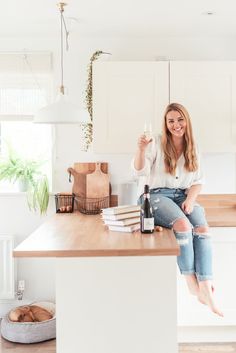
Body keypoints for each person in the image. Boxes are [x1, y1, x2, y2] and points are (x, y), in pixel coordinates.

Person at [132, 102, 223, 317]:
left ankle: (205, 284)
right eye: (171, 121)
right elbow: (139, 171)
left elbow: (198, 181)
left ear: (186, 121)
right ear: (166, 123)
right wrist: (141, 149)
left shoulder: (194, 146)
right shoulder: (155, 143)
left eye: (180, 120)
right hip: (154, 196)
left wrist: (190, 201)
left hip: (183, 195)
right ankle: (190, 281)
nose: (176, 125)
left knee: (202, 229)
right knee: (183, 224)